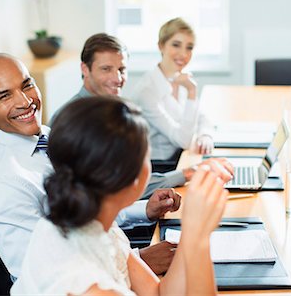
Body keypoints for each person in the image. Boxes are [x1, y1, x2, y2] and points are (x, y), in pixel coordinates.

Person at [0, 53, 183, 279]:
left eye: (27, 85)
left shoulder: (48, 137)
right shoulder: (2, 184)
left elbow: (85, 213)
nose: (24, 101)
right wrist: (137, 261)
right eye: (5, 96)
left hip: (106, 255)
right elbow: (41, 275)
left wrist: (143, 210)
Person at [11, 96, 227, 295]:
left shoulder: (92, 223)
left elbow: (158, 293)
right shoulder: (86, 284)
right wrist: (199, 238)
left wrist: (191, 234)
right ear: (129, 178)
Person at [50, 32, 233, 188]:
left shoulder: (115, 108)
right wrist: (185, 174)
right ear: (85, 68)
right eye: (106, 69)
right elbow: (122, 187)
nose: (117, 78)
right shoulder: (71, 120)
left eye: (122, 69)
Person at [126, 18, 214, 172]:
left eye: (189, 47)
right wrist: (192, 93)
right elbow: (184, 140)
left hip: (180, 157)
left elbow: (202, 117)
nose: (183, 54)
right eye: (176, 45)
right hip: (158, 168)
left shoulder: (181, 77)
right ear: (161, 46)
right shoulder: (148, 91)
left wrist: (205, 135)